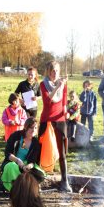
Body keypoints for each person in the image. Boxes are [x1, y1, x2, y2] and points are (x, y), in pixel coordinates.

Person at [37, 60, 71, 191]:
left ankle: (65, 181)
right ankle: (37, 180)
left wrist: (65, 111)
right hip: (47, 120)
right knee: (40, 150)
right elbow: (47, 101)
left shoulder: (63, 84)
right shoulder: (43, 84)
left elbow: (63, 99)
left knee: (62, 152)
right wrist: (57, 86)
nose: (55, 73)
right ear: (49, 72)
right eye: (53, 71)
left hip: (60, 120)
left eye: (57, 70)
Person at [0, 117, 43, 193]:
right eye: (31, 127)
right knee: (12, 167)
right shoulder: (16, 136)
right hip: (12, 162)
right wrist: (18, 160)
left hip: (26, 164)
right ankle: (14, 189)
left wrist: (29, 166)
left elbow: (33, 161)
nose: (33, 130)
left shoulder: (35, 142)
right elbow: (7, 153)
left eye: (35, 128)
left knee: (40, 174)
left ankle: (29, 188)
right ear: (26, 127)